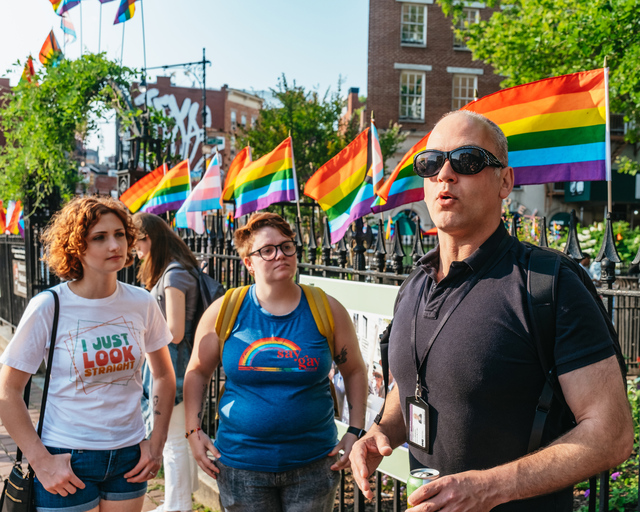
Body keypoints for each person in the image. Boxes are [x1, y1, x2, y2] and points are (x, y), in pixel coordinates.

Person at [349, 111, 634, 511]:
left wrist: (489, 488)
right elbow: (413, 384)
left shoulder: (549, 283)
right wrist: (381, 431)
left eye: (467, 161)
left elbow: (612, 433)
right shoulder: (414, 286)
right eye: (431, 163)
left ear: (505, 182)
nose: (445, 175)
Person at [0, 196, 176, 512]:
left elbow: (163, 374)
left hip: (129, 456)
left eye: (120, 234)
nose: (115, 245)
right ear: (76, 247)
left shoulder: (142, 302)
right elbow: (7, 390)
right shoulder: (49, 306)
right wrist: (41, 462)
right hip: (67, 457)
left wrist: (156, 444)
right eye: (100, 237)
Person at [183, 212, 368, 512]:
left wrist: (355, 431)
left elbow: (355, 370)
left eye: (286, 246)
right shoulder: (225, 310)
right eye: (267, 250)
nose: (279, 255)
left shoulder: (326, 308)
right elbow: (197, 371)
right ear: (249, 263)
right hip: (241, 467)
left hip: (314, 465)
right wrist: (193, 430)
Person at [133, 212, 201, 512]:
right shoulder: (176, 270)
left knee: (173, 440)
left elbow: (174, 332)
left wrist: (142, 330)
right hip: (179, 365)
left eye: (136, 243)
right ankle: (179, 500)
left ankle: (178, 505)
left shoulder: (173, 275)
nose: (134, 250)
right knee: (181, 439)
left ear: (151, 239)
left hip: (175, 367)